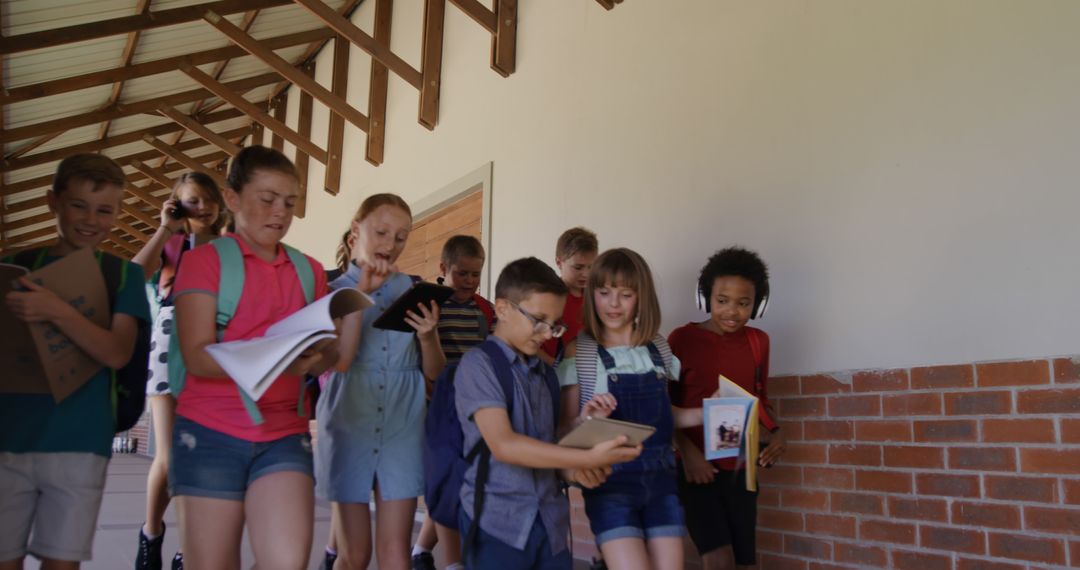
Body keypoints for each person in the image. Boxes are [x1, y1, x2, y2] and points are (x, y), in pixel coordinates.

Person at [169, 146, 336, 569]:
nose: (280, 212)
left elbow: (324, 354)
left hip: (283, 431)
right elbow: (196, 357)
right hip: (210, 430)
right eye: (267, 199)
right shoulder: (204, 262)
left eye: (290, 202)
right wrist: (277, 358)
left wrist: (315, 355)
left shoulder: (310, 270)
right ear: (232, 199)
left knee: (287, 561)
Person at [0, 154, 151, 570]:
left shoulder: (122, 275)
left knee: (62, 563)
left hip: (81, 441)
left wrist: (56, 310)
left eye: (105, 210)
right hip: (9, 438)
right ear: (53, 202)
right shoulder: (15, 268)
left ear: (118, 213)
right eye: (78, 205)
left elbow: (118, 351)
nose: (91, 219)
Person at [455, 256, 641, 570]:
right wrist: (585, 459)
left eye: (554, 325)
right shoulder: (478, 364)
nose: (546, 333)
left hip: (551, 522)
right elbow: (505, 445)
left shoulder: (545, 373)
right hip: (498, 523)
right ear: (502, 308)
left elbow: (550, 442)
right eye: (538, 319)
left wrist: (581, 444)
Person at [315, 194, 445, 570]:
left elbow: (435, 374)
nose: (391, 245)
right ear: (357, 230)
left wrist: (427, 336)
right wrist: (363, 296)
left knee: (395, 554)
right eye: (382, 232)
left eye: (401, 236)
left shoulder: (414, 289)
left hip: (402, 423)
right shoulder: (331, 290)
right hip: (349, 418)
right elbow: (339, 362)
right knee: (353, 555)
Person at [558, 248, 708, 570]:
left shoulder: (660, 348)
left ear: (641, 298)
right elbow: (564, 430)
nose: (613, 304)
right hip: (609, 481)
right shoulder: (580, 351)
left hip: (662, 478)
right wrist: (588, 417)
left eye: (625, 294)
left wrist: (711, 412)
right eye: (603, 293)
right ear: (591, 296)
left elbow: (667, 415)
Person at [131, 172, 227, 570]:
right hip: (171, 343)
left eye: (207, 199)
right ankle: (150, 534)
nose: (202, 207)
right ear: (177, 205)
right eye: (192, 200)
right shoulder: (171, 245)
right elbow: (133, 277)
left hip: (216, 345)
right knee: (171, 458)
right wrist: (163, 229)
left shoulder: (232, 248)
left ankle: (188, 552)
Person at [668, 247, 785, 570]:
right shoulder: (681, 339)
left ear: (758, 304)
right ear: (706, 298)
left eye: (743, 303)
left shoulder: (758, 342)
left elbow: (760, 399)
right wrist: (689, 453)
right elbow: (665, 403)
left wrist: (776, 432)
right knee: (718, 559)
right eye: (722, 300)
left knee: (746, 560)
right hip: (694, 467)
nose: (731, 311)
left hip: (741, 466)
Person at [412, 234, 494, 570]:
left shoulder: (484, 310)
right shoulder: (432, 306)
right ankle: (452, 560)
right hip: (441, 404)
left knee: (461, 483)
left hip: (475, 405)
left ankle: (421, 550)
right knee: (449, 481)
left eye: (476, 274)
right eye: (463, 273)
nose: (470, 282)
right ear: (444, 269)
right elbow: (426, 365)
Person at [538, 227, 597, 366]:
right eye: (578, 267)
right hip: (550, 372)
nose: (586, 274)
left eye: (591, 267)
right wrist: (555, 365)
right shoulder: (547, 298)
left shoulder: (596, 299)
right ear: (559, 262)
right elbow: (528, 342)